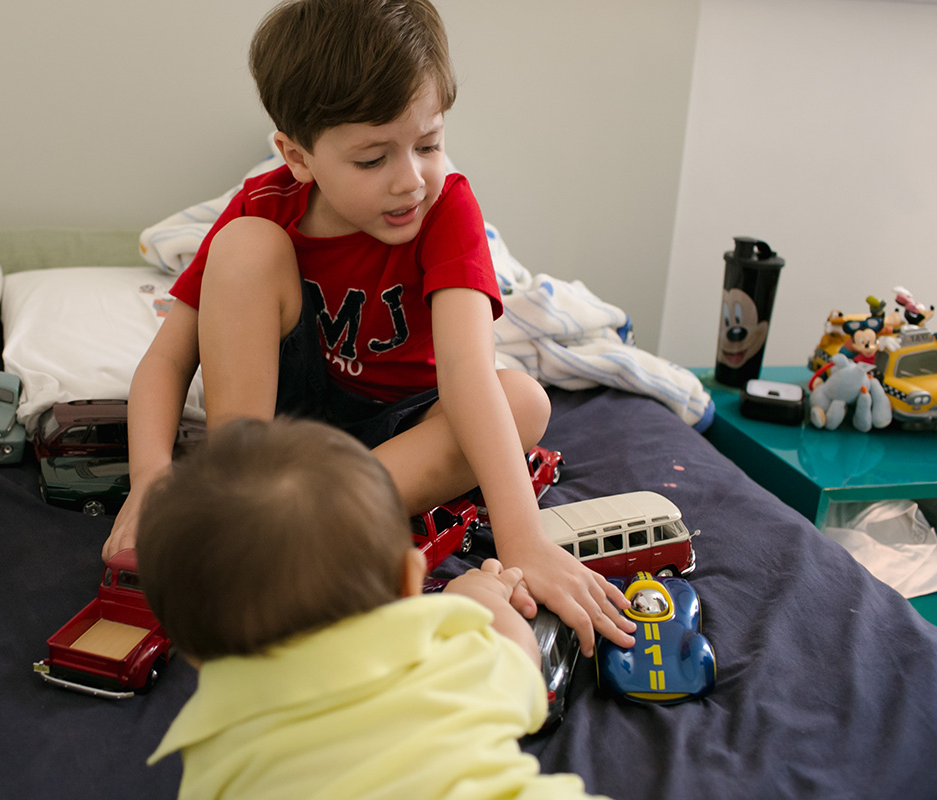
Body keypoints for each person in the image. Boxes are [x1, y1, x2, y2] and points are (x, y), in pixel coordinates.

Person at [103, 0, 635, 655]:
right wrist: (152, 475)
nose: (410, 180)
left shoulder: (447, 208)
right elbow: (165, 362)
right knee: (244, 246)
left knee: (523, 400)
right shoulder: (265, 206)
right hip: (281, 431)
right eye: (372, 158)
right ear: (297, 156)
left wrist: (525, 539)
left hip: (402, 428)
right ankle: (244, 498)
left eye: (429, 144)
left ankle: (306, 519)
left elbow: (468, 375)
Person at [139, 417, 610, 800]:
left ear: (191, 649)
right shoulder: (448, 656)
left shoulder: (211, 751)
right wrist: (482, 601)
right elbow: (523, 662)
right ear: (411, 582)